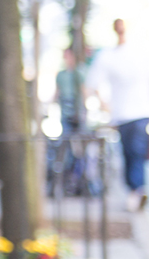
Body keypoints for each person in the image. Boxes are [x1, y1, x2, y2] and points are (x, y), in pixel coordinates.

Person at [86, 18, 149, 210]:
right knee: (132, 153)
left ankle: (136, 190)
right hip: (124, 114)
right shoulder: (108, 56)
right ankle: (136, 190)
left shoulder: (140, 50)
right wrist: (106, 106)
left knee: (135, 153)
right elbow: (92, 84)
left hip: (140, 112)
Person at [56, 46, 85, 134]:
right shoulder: (60, 75)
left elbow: (83, 91)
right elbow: (57, 91)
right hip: (65, 107)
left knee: (79, 134)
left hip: (76, 107)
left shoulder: (78, 74)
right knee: (66, 134)